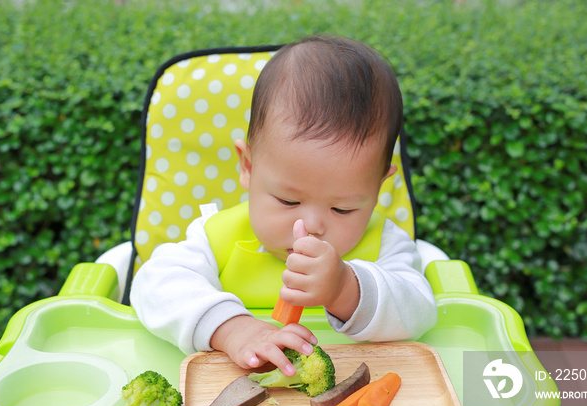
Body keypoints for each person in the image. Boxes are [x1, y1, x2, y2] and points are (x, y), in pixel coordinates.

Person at [130, 34, 437, 378]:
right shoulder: (216, 238)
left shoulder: (383, 243)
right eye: (289, 200)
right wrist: (233, 329)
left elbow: (420, 313)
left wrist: (345, 288)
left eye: (343, 208)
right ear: (247, 166)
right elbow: (153, 287)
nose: (312, 225)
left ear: (379, 186)